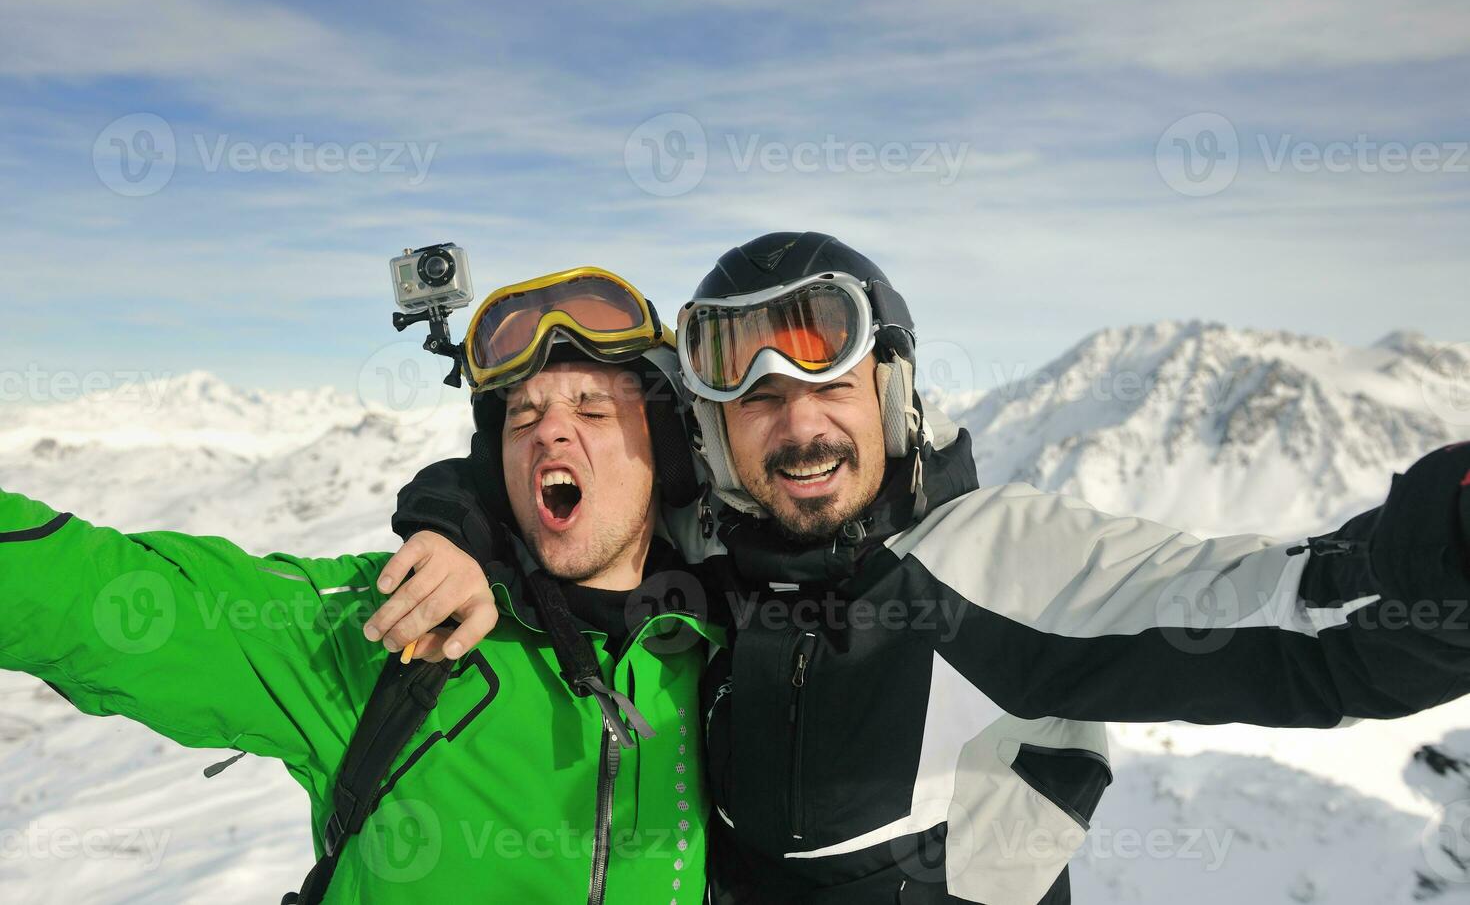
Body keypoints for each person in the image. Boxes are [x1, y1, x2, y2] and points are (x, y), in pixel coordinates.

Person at [384, 233, 1470, 905]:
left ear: (895, 395)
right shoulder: (709, 546)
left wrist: (1445, 546)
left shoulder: (1005, 564)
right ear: (714, 437)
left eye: (832, 386)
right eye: (757, 399)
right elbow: (555, 474)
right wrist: (455, 522)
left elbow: (1317, 623)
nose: (798, 426)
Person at [0, 266, 719, 905]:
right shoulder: (398, 636)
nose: (549, 433)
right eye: (522, 416)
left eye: (594, 411)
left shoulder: (727, 653)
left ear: (666, 454)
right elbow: (106, 598)